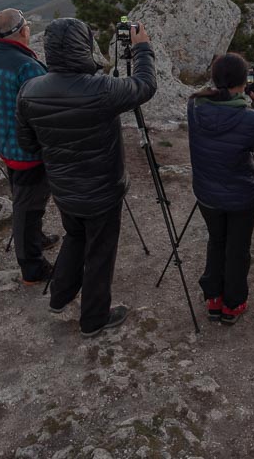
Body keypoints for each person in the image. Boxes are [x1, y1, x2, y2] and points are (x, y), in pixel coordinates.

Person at [16, 17, 157, 337]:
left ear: (49, 49)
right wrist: (142, 49)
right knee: (100, 250)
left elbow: (28, 144)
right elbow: (145, 86)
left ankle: (60, 296)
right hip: (102, 189)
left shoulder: (30, 91)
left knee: (75, 236)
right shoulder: (102, 88)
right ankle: (94, 319)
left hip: (63, 187)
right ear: (85, 46)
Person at [187, 53, 254, 324]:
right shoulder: (251, 119)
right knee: (238, 249)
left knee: (217, 242)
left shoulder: (195, 106)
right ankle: (233, 304)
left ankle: (213, 298)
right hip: (242, 196)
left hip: (207, 193)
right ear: (242, 82)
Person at [0, 8, 59, 285]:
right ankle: (32, 267)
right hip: (27, 151)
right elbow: (44, 106)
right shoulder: (25, 65)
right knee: (29, 208)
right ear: (22, 30)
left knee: (23, 198)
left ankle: (36, 240)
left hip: (6, 143)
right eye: (27, 25)